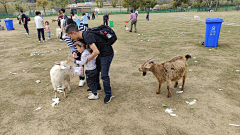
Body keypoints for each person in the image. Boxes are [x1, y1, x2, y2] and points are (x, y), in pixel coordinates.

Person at [66, 24, 115, 104]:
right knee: (97, 70)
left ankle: (108, 94)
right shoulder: (84, 36)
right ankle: (97, 87)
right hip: (101, 54)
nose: (71, 39)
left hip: (107, 54)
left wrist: (86, 60)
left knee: (104, 75)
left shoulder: (87, 36)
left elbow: (96, 51)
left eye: (70, 36)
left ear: (74, 33)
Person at [65, 19, 89, 87]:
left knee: (88, 63)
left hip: (87, 49)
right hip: (77, 50)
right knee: (79, 65)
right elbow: (70, 45)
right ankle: (81, 79)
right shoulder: (67, 34)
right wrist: (73, 52)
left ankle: (89, 78)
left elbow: (90, 35)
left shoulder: (82, 28)